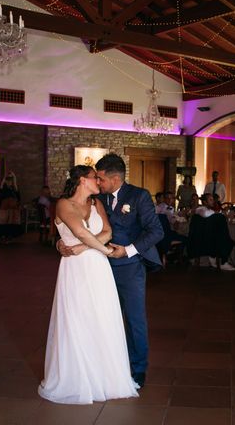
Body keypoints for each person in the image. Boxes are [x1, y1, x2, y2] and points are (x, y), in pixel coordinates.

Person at [56, 154, 163, 389]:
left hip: (129, 268)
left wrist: (128, 251)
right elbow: (77, 225)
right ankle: (101, 368)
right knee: (100, 319)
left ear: (114, 179)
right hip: (97, 270)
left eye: (101, 178)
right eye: (95, 178)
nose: (99, 182)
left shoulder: (139, 196)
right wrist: (61, 243)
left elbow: (156, 232)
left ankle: (137, 369)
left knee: (134, 319)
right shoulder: (98, 198)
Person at [39, 166, 139, 404]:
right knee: (76, 318)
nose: (99, 181)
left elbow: (107, 231)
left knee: (101, 318)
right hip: (75, 270)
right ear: (83, 180)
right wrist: (104, 250)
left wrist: (82, 248)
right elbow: (80, 232)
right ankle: (77, 378)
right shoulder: (63, 204)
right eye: (96, 177)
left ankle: (105, 377)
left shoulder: (97, 204)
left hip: (97, 268)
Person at [0, 172, 21, 244]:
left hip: (12, 208)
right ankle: (3, 236)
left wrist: (14, 177)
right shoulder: (4, 188)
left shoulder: (14, 188)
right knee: (3, 221)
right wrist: (4, 179)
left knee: (11, 221)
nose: (9, 182)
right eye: (8, 181)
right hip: (4, 207)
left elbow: (18, 195)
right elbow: (0, 189)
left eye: (10, 181)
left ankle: (10, 236)